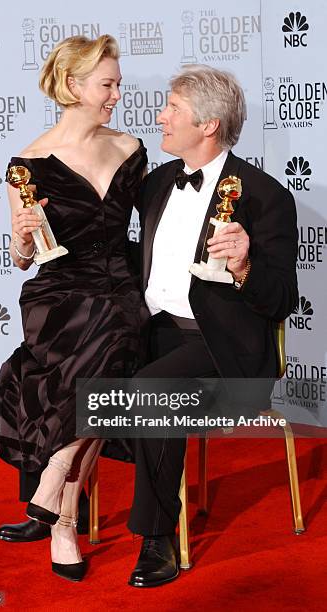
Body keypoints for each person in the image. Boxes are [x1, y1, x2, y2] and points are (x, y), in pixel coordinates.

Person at [0, 34, 148, 582]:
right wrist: (23, 238)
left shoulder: (130, 148)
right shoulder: (27, 163)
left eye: (118, 83)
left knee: (117, 336)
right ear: (73, 86)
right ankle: (59, 511)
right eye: (108, 84)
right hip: (61, 297)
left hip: (121, 285)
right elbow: (23, 258)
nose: (117, 94)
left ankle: (59, 509)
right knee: (108, 347)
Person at [126, 64, 298, 588]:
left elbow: (281, 300)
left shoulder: (265, 195)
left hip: (224, 349)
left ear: (209, 125)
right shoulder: (157, 182)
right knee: (64, 368)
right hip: (155, 332)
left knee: (149, 392)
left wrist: (245, 267)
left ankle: (156, 540)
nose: (160, 116)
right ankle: (53, 513)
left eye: (172, 108)